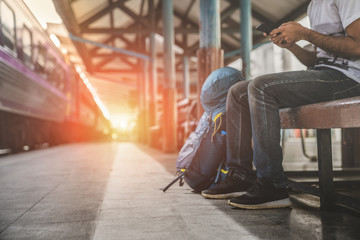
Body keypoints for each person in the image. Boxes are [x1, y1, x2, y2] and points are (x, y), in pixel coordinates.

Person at [201, 0, 360, 209]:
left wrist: (305, 33)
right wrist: (293, 45)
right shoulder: (314, 5)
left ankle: (272, 185)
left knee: (261, 86)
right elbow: (316, 61)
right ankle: (240, 176)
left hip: (350, 78)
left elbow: (357, 47)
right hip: (323, 74)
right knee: (237, 92)